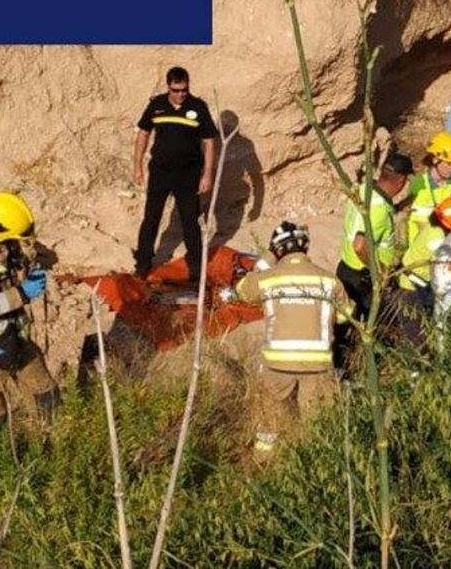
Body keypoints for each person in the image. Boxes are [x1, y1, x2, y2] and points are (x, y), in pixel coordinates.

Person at [233, 221, 351, 457]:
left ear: (277, 251)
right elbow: (344, 316)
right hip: (318, 367)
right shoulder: (329, 281)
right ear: (306, 247)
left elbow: (243, 289)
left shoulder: (268, 279)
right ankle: (317, 470)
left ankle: (264, 463)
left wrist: (266, 258)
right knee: (320, 428)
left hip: (277, 366)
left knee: (268, 425)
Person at [133, 66, 217, 283]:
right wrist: (138, 165)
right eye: (176, 90)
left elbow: (208, 141)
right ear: (168, 87)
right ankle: (142, 265)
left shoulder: (198, 107)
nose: (180, 94)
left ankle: (196, 268)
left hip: (188, 173)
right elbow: (143, 133)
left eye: (184, 90)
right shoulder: (157, 105)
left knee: (190, 220)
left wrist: (207, 174)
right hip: (160, 171)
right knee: (151, 218)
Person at [0, 192, 59, 429]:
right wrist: (21, 294)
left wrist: (31, 268)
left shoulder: (2, 243)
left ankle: (54, 436)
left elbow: (20, 257)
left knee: (47, 392)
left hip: (13, 335)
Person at [336, 151, 413, 323]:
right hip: (363, 278)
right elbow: (360, 245)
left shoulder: (365, 190)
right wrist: (378, 272)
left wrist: (401, 206)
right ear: (401, 181)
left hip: (346, 269)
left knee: (346, 322)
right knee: (376, 326)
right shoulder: (377, 209)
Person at [405, 132, 451, 250]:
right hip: (420, 254)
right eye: (449, 163)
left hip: (446, 253)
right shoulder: (418, 185)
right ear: (435, 160)